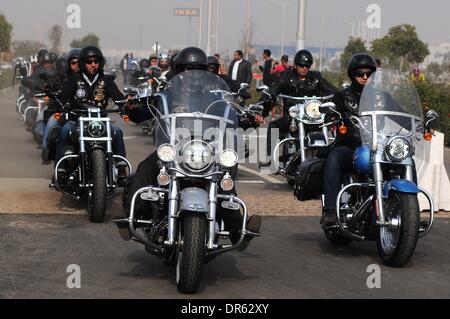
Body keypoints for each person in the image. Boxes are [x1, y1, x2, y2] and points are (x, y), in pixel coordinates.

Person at [113, 47, 261, 251]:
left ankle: (237, 231)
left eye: (198, 69)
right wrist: (132, 109)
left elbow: (230, 116)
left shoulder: (215, 96)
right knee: (145, 169)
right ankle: (130, 217)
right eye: (188, 68)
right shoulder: (167, 95)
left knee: (226, 183)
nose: (193, 74)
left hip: (208, 152)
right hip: (174, 150)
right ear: (179, 69)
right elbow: (144, 112)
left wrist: (248, 118)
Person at [55, 46, 128, 184]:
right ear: (83, 63)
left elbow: (119, 98)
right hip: (77, 121)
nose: (93, 65)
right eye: (89, 62)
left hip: (100, 122)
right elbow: (63, 97)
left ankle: (121, 167)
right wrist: (58, 106)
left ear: (100, 63)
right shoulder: (74, 80)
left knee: (117, 132)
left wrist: (126, 105)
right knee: (64, 131)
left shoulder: (106, 80)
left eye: (96, 61)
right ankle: (61, 169)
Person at [320, 53, 377, 228]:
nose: (365, 77)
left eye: (369, 73)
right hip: (351, 147)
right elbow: (331, 112)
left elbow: (399, 113)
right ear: (353, 74)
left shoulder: (380, 97)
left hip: (377, 147)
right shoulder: (342, 96)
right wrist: (332, 117)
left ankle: (410, 210)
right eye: (361, 74)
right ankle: (330, 211)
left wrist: (420, 123)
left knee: (406, 160)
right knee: (335, 157)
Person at [259, 49, 337, 166]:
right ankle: (269, 158)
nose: (304, 68)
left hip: (313, 116)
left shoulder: (315, 77)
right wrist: (269, 95)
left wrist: (338, 97)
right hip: (293, 116)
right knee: (273, 126)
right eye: (301, 65)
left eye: (307, 65)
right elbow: (274, 89)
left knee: (333, 127)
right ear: (295, 65)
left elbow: (332, 90)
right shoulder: (286, 76)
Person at [41, 48, 81, 163]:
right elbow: (52, 83)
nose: (77, 66)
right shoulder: (63, 76)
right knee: (52, 122)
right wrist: (49, 87)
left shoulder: (89, 77)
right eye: (73, 63)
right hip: (65, 111)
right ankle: (46, 150)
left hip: (85, 114)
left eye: (79, 63)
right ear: (69, 64)